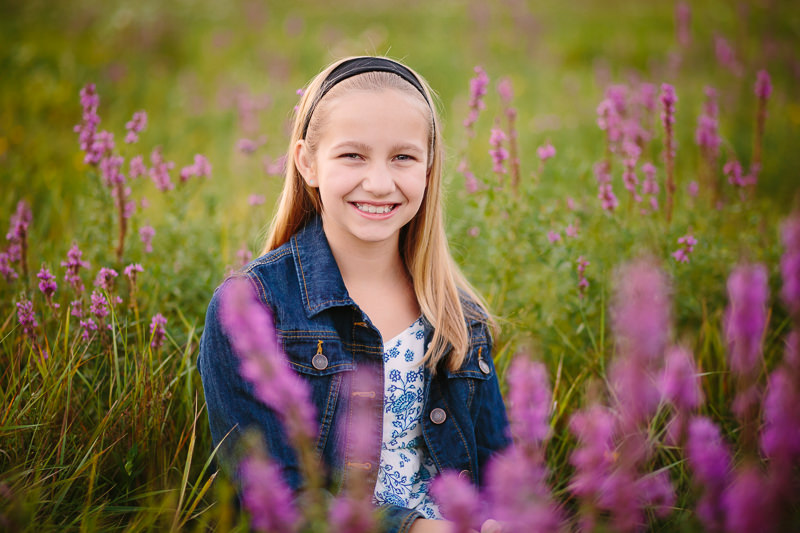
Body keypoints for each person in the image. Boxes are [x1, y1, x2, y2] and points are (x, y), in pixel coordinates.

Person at [198, 56, 510, 533]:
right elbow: (273, 499)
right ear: (307, 162)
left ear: (429, 169)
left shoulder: (456, 314)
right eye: (353, 156)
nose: (380, 183)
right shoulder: (255, 308)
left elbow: (499, 472)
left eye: (403, 157)